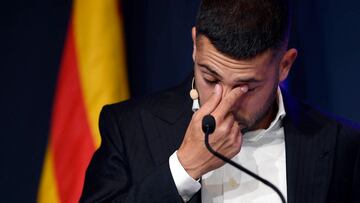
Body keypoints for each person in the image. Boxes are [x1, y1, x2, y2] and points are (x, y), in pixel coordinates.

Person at [80, 0, 360, 202]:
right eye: (210, 78)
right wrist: (183, 169)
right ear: (194, 46)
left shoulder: (338, 144)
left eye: (245, 87)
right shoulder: (130, 128)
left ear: (285, 66)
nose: (223, 101)